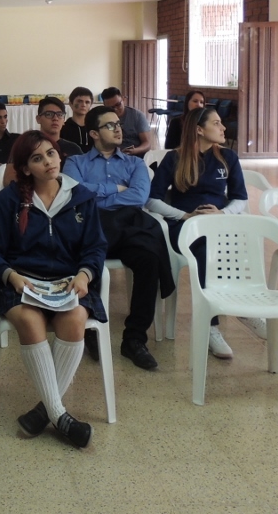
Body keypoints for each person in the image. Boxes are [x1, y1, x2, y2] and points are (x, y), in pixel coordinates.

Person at [0, 131, 106, 448]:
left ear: (60, 155)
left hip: (67, 281)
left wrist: (85, 275)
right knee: (30, 321)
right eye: (37, 158)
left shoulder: (81, 197)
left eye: (51, 153)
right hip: (21, 282)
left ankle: (45, 412)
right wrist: (11, 276)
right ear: (25, 168)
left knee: (75, 320)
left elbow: (95, 247)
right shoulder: (10, 199)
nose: (48, 161)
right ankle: (59, 414)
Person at [66, 106, 176, 370]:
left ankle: (134, 339)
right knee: (86, 255)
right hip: (93, 226)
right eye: (110, 125)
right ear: (94, 133)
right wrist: (114, 188)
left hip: (128, 228)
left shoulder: (135, 163)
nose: (118, 129)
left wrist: (97, 196)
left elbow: (139, 196)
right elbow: (74, 193)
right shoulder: (75, 163)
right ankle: (88, 328)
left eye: (118, 124)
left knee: (149, 258)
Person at [147, 106, 247, 359]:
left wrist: (222, 213)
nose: (223, 128)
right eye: (216, 123)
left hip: (218, 224)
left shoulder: (228, 157)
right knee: (206, 248)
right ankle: (210, 326)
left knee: (241, 242)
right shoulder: (175, 159)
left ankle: (242, 304)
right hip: (185, 227)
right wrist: (185, 216)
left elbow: (241, 199)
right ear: (199, 130)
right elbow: (151, 200)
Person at [2, 97, 82, 186]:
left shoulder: (73, 149)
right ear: (38, 119)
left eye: (60, 114)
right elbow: (9, 181)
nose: (55, 118)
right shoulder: (25, 145)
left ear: (64, 120)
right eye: (49, 114)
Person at [100, 87, 152, 157]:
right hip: (111, 156)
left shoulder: (137, 116)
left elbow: (147, 143)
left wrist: (135, 150)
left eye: (118, 104)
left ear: (123, 99)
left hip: (135, 155)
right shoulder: (102, 118)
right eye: (111, 108)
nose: (115, 109)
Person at [61, 87, 95, 154]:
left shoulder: (95, 128)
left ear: (91, 105)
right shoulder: (63, 128)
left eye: (87, 102)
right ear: (71, 103)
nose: (83, 105)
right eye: (79, 101)